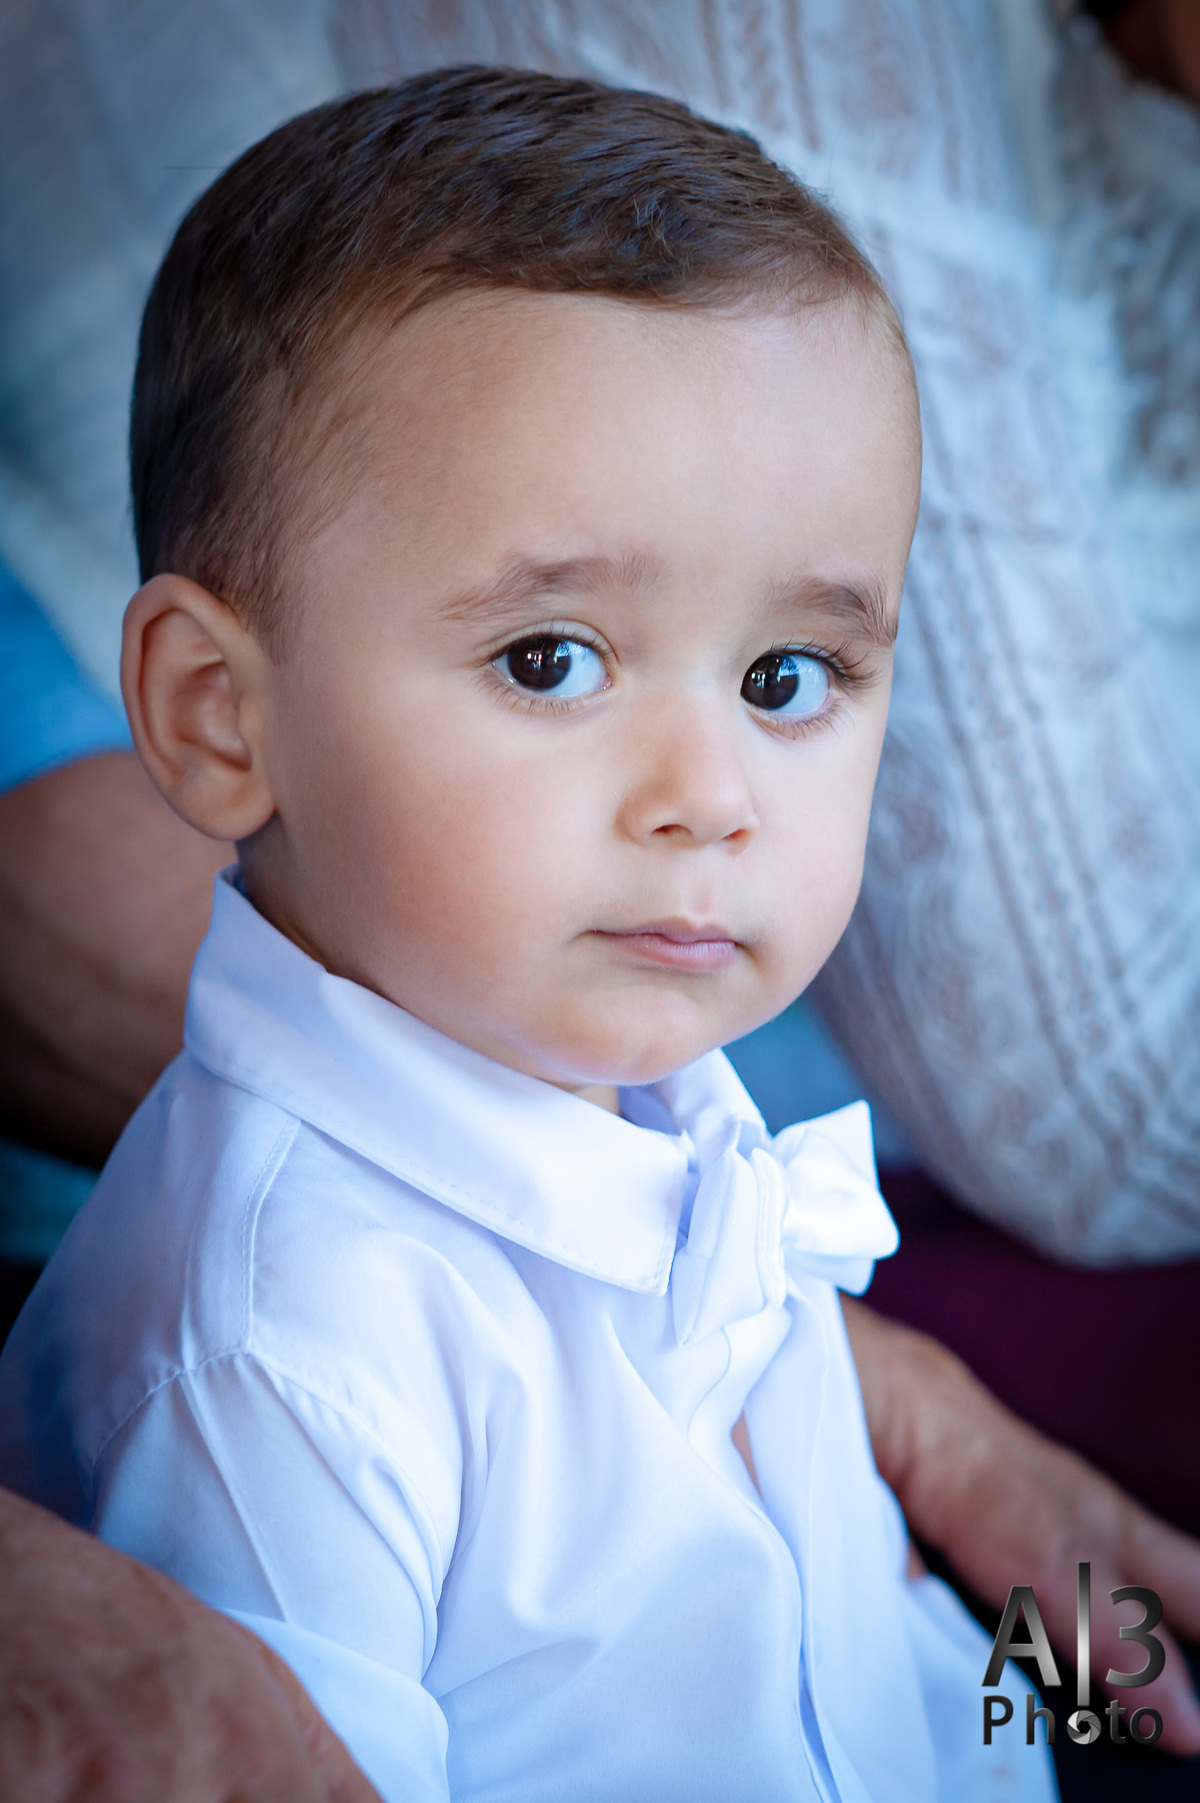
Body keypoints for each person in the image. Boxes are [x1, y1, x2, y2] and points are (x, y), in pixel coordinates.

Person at [0, 66, 1057, 1801]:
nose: (711, 795)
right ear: (217, 717)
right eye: (551, 660)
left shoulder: (646, 1085)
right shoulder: (288, 1351)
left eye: (788, 677)